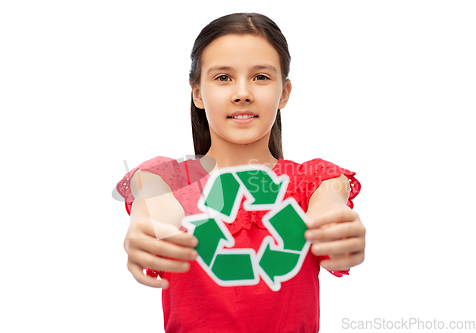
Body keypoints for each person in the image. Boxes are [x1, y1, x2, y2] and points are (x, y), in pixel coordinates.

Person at [116, 12, 366, 333]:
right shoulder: (167, 179)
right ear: (197, 94)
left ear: (285, 93)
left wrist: (337, 232)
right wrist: (151, 228)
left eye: (261, 77)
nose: (243, 93)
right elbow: (156, 204)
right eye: (223, 78)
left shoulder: (316, 181)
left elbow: (329, 208)